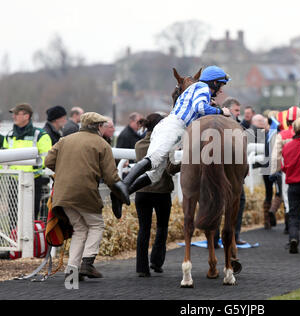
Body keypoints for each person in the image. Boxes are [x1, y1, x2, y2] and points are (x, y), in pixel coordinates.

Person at [111, 65, 232, 218]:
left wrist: (211, 106)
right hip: (173, 126)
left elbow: (198, 107)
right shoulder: (202, 86)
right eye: (220, 85)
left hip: (174, 128)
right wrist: (222, 111)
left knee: (155, 175)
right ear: (214, 83)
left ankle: (120, 196)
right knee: (155, 159)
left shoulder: (199, 89)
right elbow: (200, 107)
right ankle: (122, 185)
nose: (221, 90)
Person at [44, 112, 129, 280]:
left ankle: (72, 270)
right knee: (96, 225)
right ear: (98, 126)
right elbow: (111, 177)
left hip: (62, 194)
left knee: (80, 229)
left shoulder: (64, 140)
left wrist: (64, 172)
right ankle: (87, 264)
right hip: (85, 193)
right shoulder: (102, 144)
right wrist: (121, 192)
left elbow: (48, 162)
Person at [134, 113, 181, 277]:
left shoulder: (139, 144)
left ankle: (141, 267)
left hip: (141, 192)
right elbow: (171, 168)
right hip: (161, 191)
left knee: (143, 229)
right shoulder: (165, 144)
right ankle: (156, 261)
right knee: (162, 227)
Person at [3, 103, 52, 219]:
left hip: (33, 181)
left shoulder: (40, 135)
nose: (13, 116)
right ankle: (14, 236)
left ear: (26, 116)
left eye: (16, 114)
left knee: (30, 216)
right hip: (14, 182)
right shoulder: (9, 136)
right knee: (13, 217)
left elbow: (47, 159)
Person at [217, 97, 247, 245]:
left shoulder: (236, 125)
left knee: (226, 202)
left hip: (232, 173)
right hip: (228, 173)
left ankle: (231, 235)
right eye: (236, 110)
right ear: (227, 109)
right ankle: (230, 235)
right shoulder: (229, 126)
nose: (238, 114)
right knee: (236, 201)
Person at [281, 118, 300, 253]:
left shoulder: (287, 146)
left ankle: (293, 238)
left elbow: (283, 167)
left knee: (294, 215)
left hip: (293, 185)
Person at [270, 106, 300, 234]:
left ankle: (289, 228)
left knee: (288, 200)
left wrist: (274, 171)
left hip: (286, 172)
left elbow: (276, 155)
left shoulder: (282, 135)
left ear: (287, 120)